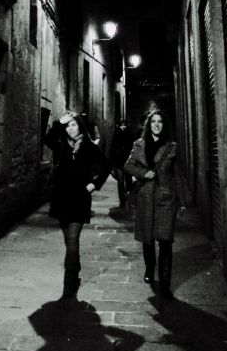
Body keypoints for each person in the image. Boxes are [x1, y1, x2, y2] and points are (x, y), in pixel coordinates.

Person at [44, 111, 111, 298]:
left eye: (73, 125)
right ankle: (75, 266)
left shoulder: (89, 147)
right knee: (68, 241)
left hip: (80, 199)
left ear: (80, 126)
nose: (71, 129)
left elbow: (107, 166)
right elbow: (47, 139)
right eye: (68, 126)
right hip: (61, 199)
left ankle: (68, 285)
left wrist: (94, 184)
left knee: (73, 240)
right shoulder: (61, 146)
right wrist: (59, 122)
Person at [124, 108, 186, 300]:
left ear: (164, 125)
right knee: (147, 238)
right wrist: (143, 174)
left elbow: (177, 176)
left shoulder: (172, 147)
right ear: (148, 124)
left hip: (166, 199)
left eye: (160, 121)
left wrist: (182, 201)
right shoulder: (139, 144)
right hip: (145, 197)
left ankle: (165, 284)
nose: (157, 124)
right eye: (153, 121)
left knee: (165, 241)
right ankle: (150, 267)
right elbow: (127, 165)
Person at [109, 119, 135, 208]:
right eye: (121, 125)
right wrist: (112, 161)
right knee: (120, 180)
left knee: (128, 180)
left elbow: (134, 148)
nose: (123, 127)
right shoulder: (116, 134)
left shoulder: (131, 135)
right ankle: (122, 200)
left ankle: (129, 199)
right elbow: (112, 148)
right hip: (118, 161)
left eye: (124, 125)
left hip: (128, 161)